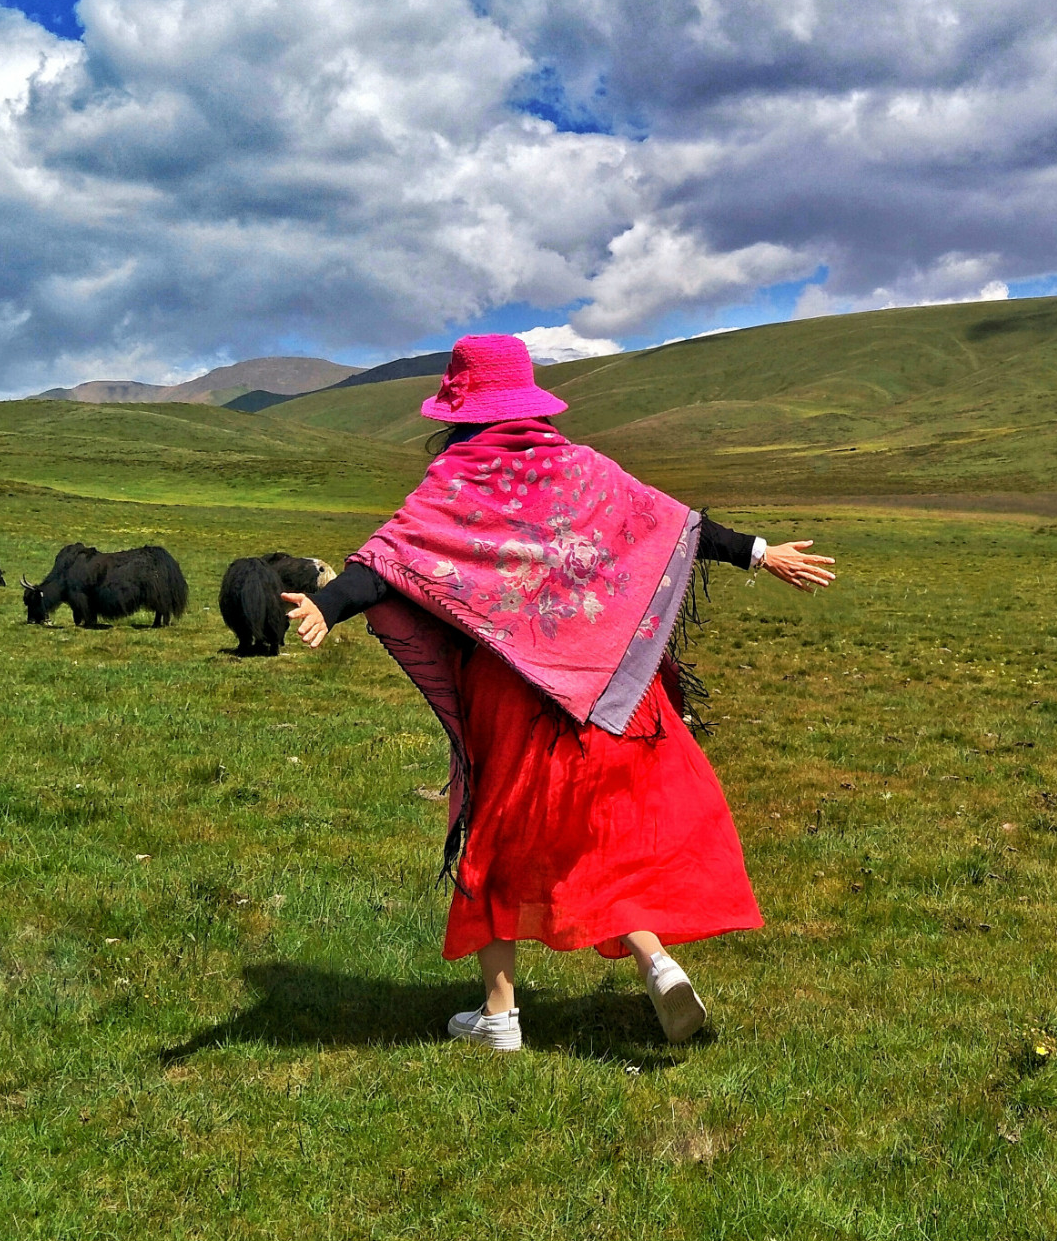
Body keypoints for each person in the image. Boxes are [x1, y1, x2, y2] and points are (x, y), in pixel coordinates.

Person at [283, 334, 834, 1052]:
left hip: (510, 695)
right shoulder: (583, 469)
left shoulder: (456, 481)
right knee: (595, 834)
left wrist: (329, 604)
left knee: (492, 832)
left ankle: (500, 1015)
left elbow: (391, 561)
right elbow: (670, 526)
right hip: (606, 690)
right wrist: (761, 551)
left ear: (461, 406)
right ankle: (657, 960)